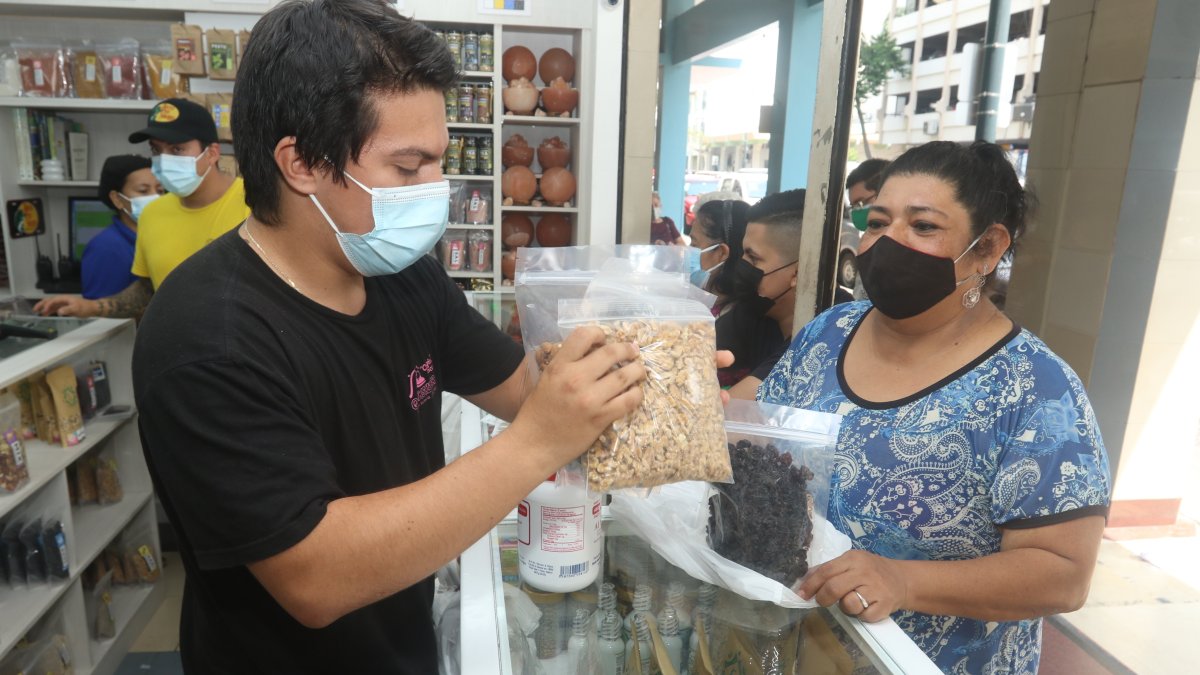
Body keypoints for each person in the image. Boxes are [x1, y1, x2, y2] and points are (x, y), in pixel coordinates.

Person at [132, 2, 731, 671]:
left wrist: (655, 379)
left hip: (406, 641)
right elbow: (317, 575)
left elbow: (520, 385)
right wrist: (538, 441)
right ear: (300, 163)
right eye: (407, 168)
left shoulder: (403, 278)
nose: (435, 190)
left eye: (439, 162)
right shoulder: (204, 339)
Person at [758, 141, 1110, 674]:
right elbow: (766, 447)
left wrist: (903, 581)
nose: (887, 243)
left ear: (987, 248)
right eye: (878, 222)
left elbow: (1063, 573)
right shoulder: (827, 335)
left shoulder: (1034, 390)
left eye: (922, 226)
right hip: (798, 647)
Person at [34, 98, 248, 318]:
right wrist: (90, 307)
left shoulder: (255, 205)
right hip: (175, 347)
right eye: (156, 150)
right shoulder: (152, 214)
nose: (164, 160)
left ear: (212, 153)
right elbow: (147, 290)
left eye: (177, 150)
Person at [689, 198, 783, 387]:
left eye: (694, 243)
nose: (687, 251)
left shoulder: (745, 321)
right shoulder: (701, 301)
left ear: (721, 253)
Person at [80, 155, 162, 300]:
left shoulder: (157, 237)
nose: (155, 198)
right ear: (117, 199)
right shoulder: (106, 248)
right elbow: (102, 314)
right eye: (143, 191)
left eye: (160, 191)